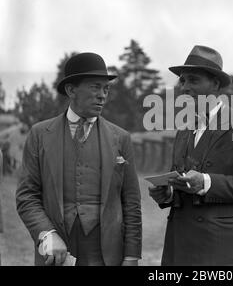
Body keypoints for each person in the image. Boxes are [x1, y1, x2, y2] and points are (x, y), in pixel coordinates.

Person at [149, 45, 233, 265]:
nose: (185, 87)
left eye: (193, 80)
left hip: (221, 248)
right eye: (183, 81)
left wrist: (206, 182)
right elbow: (181, 184)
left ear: (215, 84)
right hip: (181, 247)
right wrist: (167, 194)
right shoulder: (184, 129)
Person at [16, 52, 142, 266]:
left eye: (106, 88)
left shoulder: (121, 138)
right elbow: (27, 196)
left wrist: (131, 256)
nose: (102, 95)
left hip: (106, 254)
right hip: (56, 253)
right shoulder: (39, 134)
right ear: (71, 90)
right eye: (95, 87)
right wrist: (47, 234)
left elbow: (131, 202)